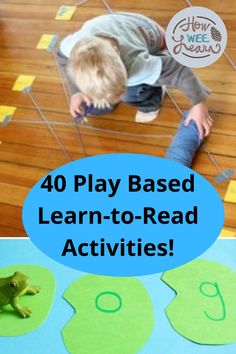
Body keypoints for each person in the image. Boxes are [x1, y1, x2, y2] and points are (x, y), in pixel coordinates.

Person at [58, 12, 213, 139]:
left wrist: (199, 104)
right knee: (95, 108)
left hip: (153, 36)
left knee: (130, 94)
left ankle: (153, 99)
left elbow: (178, 71)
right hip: (114, 25)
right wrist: (76, 92)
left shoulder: (138, 63)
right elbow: (62, 58)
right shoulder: (71, 48)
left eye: (119, 86)